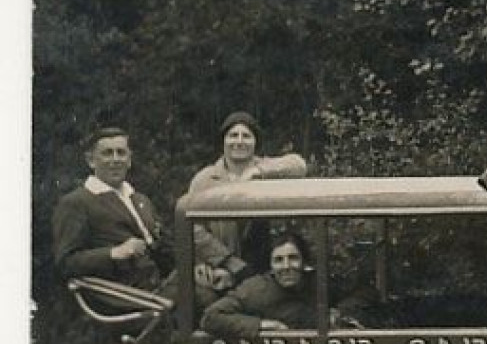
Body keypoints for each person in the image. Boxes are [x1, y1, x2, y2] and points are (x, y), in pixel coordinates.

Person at [185, 111, 308, 293]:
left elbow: (299, 165)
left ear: (255, 142)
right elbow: (194, 228)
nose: (239, 142)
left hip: (265, 263)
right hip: (220, 264)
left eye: (246, 136)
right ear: (223, 140)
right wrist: (224, 260)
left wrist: (256, 171)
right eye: (233, 135)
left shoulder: (267, 170)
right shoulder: (204, 179)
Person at [52, 127, 171, 293]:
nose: (115, 160)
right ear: (91, 161)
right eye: (107, 153)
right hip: (123, 294)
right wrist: (113, 253)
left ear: (129, 160)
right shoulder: (77, 202)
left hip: (160, 287)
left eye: (121, 153)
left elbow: (166, 248)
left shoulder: (140, 200)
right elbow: (66, 262)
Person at [201, 231, 324, 338]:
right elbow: (211, 317)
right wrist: (263, 325)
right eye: (278, 260)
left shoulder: (318, 284)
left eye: (293, 258)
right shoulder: (256, 289)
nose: (286, 266)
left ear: (305, 262)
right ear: (271, 266)